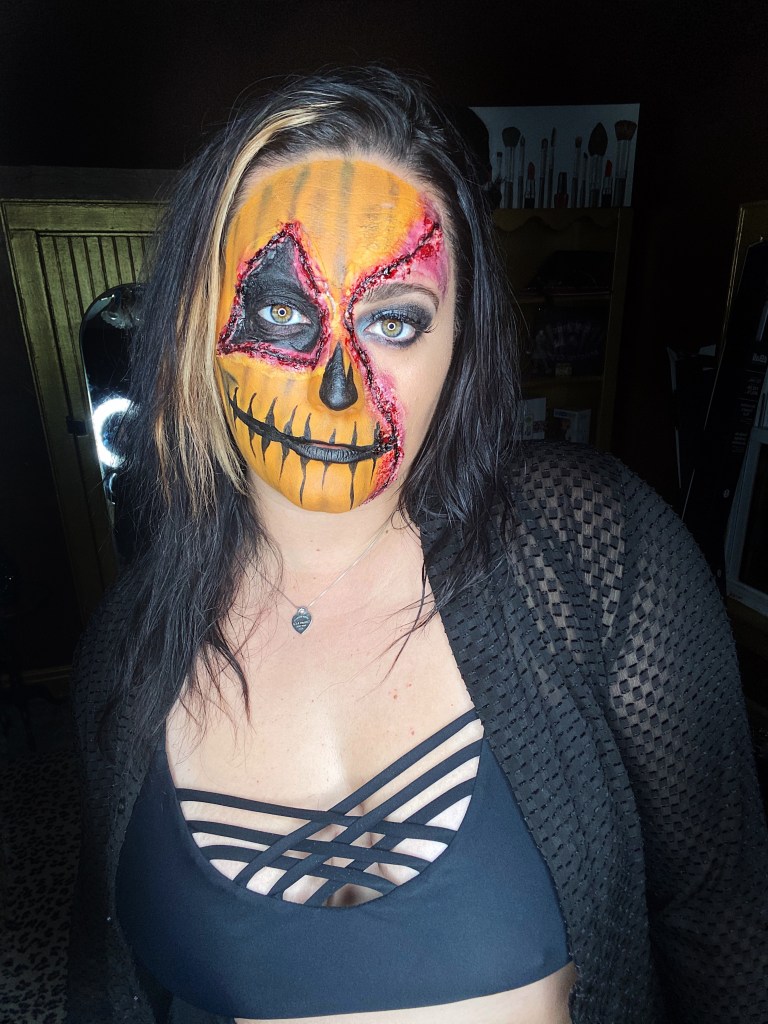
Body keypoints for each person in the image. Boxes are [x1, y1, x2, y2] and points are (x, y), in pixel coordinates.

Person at [67, 68, 768, 1024]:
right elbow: (102, 982)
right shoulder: (124, 651)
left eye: (393, 320)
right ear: (197, 323)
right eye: (282, 312)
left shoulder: (590, 554)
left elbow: (725, 922)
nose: (340, 388)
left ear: (458, 342)